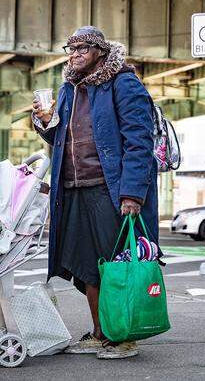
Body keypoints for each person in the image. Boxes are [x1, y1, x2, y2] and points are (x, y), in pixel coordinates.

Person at [32, 25, 160, 359]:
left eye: (82, 48)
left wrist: (132, 193)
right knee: (88, 266)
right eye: (70, 49)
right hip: (74, 188)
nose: (74, 55)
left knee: (115, 266)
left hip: (109, 189)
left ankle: (122, 337)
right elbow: (61, 142)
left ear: (100, 50)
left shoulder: (123, 83)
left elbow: (140, 140)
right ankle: (100, 332)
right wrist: (45, 122)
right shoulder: (68, 90)